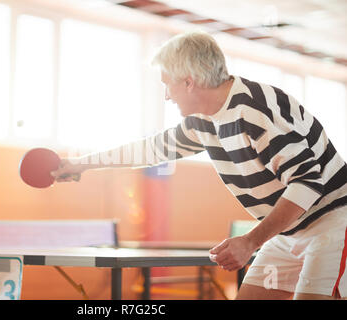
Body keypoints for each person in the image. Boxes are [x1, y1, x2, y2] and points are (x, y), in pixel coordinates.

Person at [51, 31, 347, 300]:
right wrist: (81, 164)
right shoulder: (203, 122)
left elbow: (307, 184)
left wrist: (249, 242)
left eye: (167, 85)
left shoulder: (255, 111)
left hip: (333, 223)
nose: (167, 95)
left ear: (189, 81)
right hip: (288, 232)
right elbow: (150, 149)